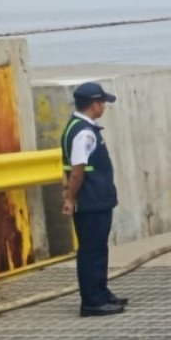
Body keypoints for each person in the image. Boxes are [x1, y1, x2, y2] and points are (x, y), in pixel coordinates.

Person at [60, 82, 125, 317]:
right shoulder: (85, 133)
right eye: (103, 102)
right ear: (95, 104)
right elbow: (77, 170)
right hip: (91, 200)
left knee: (97, 248)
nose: (104, 106)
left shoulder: (75, 126)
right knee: (92, 251)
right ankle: (92, 301)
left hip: (94, 199)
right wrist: (71, 197)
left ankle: (100, 291)